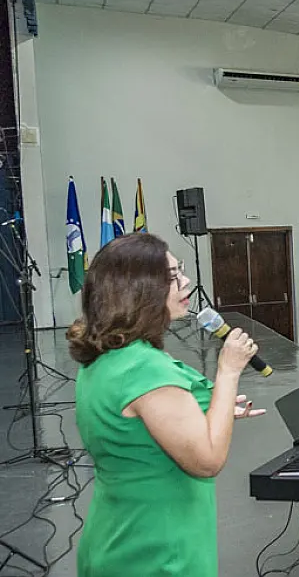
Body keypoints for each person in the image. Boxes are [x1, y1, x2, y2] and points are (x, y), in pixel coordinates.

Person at [70, 234, 263, 577]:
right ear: (141, 290)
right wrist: (229, 371)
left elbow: (139, 430)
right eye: (173, 276)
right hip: (158, 550)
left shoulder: (109, 356)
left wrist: (211, 411)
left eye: (181, 270)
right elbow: (206, 461)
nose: (186, 281)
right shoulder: (147, 369)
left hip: (117, 532)